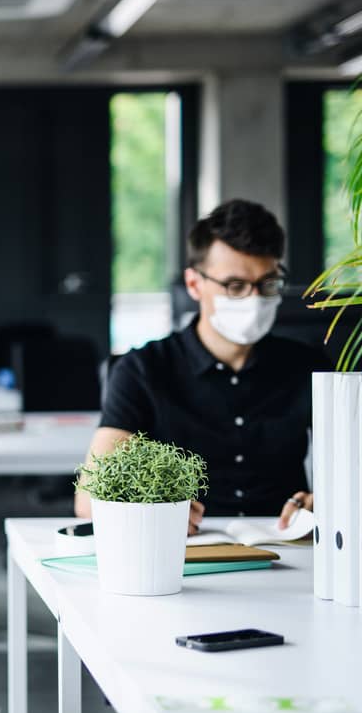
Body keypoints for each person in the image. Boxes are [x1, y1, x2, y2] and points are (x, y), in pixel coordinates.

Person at [75, 199, 330, 533]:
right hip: (184, 553)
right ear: (195, 284)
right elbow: (89, 500)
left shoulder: (308, 366)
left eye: (267, 284)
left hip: (290, 549)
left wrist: (327, 501)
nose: (254, 300)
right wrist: (155, 512)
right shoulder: (143, 369)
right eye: (235, 286)